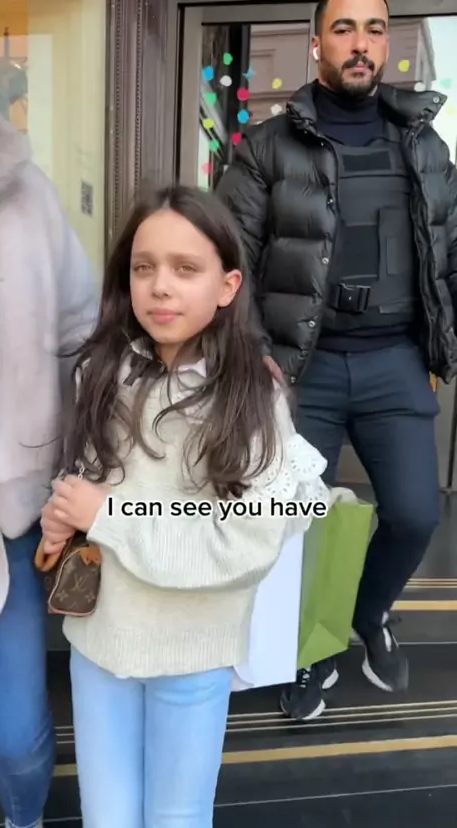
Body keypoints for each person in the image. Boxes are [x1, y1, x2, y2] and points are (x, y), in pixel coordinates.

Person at [39, 185, 328, 828]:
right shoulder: (101, 370)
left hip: (193, 651)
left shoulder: (251, 396)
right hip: (101, 643)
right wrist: (68, 514)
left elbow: (247, 541)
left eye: (185, 268)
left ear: (228, 286)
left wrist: (108, 516)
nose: (160, 286)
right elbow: (93, 482)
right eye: (143, 267)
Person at [217, 0, 457, 722]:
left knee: (414, 515)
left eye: (374, 30)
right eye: (344, 29)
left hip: (394, 362)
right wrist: (255, 355)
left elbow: (449, 252)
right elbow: (228, 261)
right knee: (299, 526)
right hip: (300, 371)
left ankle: (365, 610)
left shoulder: (424, 145)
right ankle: (311, 648)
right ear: (316, 43)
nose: (360, 44)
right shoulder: (265, 148)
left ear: (387, 44)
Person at [0, 1, 97, 828]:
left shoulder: (27, 195)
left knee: (17, 730)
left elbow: (85, 333)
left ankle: (25, 826)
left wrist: (218, 360)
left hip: (8, 512)